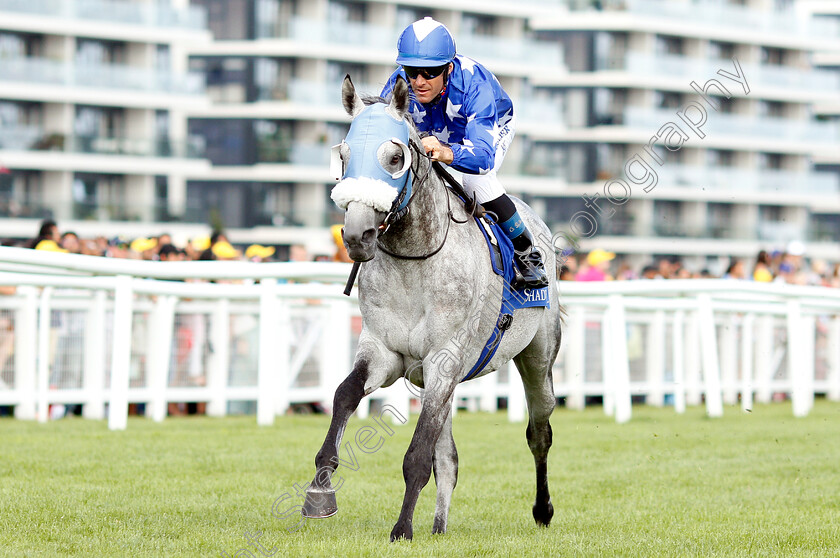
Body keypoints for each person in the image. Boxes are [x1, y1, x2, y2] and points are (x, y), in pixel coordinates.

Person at [380, 17, 548, 289]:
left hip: (487, 128)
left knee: (474, 181)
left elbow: (482, 158)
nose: (419, 81)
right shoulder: (398, 83)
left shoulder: (474, 83)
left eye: (430, 72)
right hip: (433, 132)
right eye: (412, 70)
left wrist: (446, 152)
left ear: (448, 68)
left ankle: (527, 253)